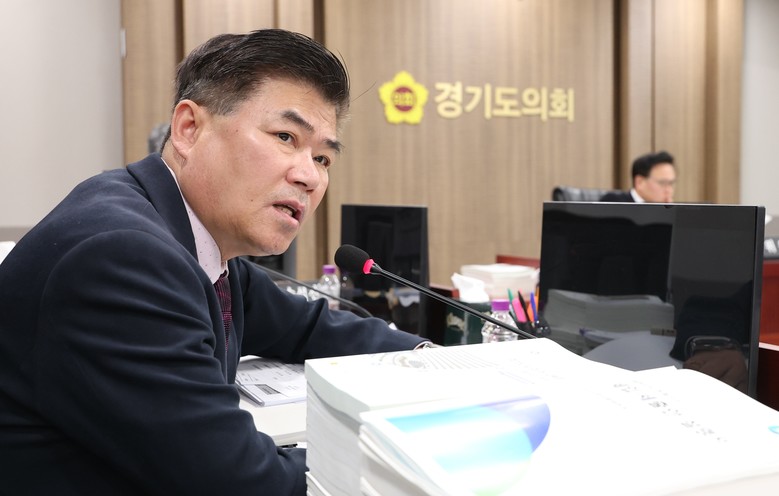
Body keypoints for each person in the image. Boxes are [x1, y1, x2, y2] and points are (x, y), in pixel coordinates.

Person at [0, 29, 430, 495]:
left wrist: (436, 362)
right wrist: (417, 451)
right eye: (285, 136)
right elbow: (240, 481)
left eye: (324, 158)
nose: (310, 176)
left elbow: (303, 327)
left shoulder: (193, 237)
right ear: (189, 128)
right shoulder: (123, 258)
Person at [600, 150, 676, 203]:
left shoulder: (669, 211)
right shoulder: (614, 202)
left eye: (671, 183)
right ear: (640, 182)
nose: (669, 190)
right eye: (663, 183)